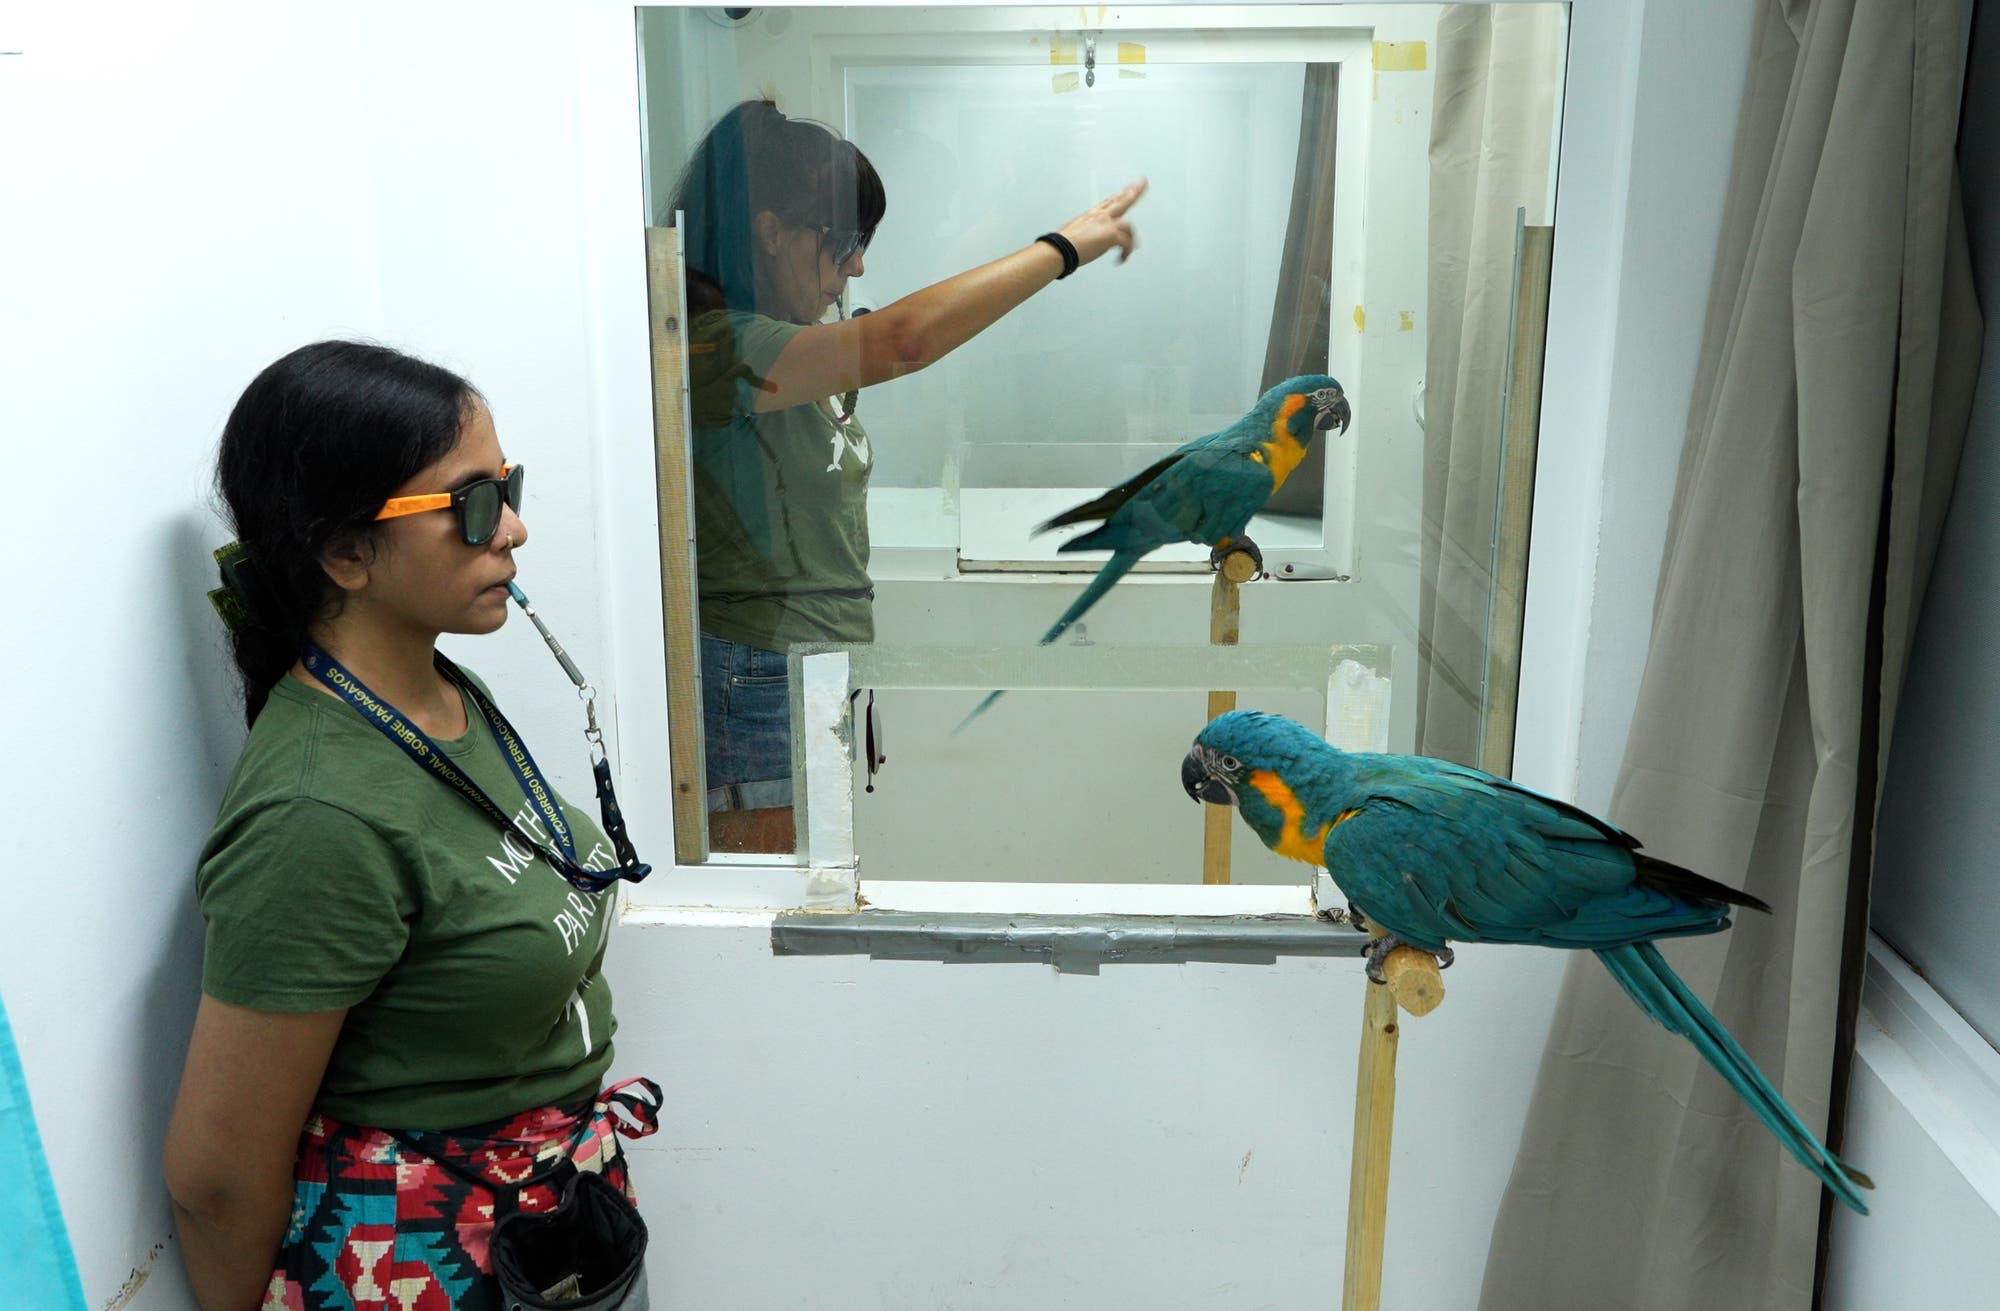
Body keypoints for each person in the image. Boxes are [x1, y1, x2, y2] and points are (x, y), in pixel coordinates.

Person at [164, 341, 654, 1310]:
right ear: (347, 553)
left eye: (507, 488)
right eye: (471, 503)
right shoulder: (317, 815)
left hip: (550, 1214)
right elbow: (216, 1180)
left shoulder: (437, 695)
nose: (511, 528)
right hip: (425, 1257)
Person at [673, 98, 1146, 854]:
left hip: (805, 668)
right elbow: (904, 340)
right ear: (770, 232)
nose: (857, 265)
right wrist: (1060, 248)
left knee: (817, 886)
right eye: (843, 241)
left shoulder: (788, 346)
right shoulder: (717, 350)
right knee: (776, 905)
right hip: (758, 679)